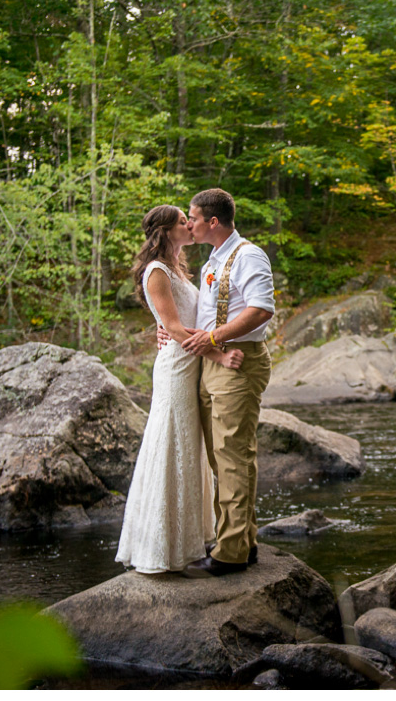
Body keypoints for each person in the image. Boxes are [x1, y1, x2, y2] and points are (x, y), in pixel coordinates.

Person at [115, 205, 243, 575]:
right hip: (177, 368)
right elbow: (172, 327)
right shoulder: (156, 271)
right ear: (167, 231)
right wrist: (218, 355)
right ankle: (161, 547)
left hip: (191, 365)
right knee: (171, 446)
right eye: (183, 222)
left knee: (190, 449)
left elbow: (179, 320)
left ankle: (191, 540)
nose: (190, 226)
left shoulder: (178, 269)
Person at [162, 188, 274, 577]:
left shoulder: (248, 255)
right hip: (213, 362)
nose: (188, 224)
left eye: (191, 218)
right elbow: (202, 311)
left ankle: (230, 554)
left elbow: (261, 309)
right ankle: (244, 540)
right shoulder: (213, 259)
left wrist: (213, 339)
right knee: (220, 457)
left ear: (212, 222)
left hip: (238, 362)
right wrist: (170, 331)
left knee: (232, 456)